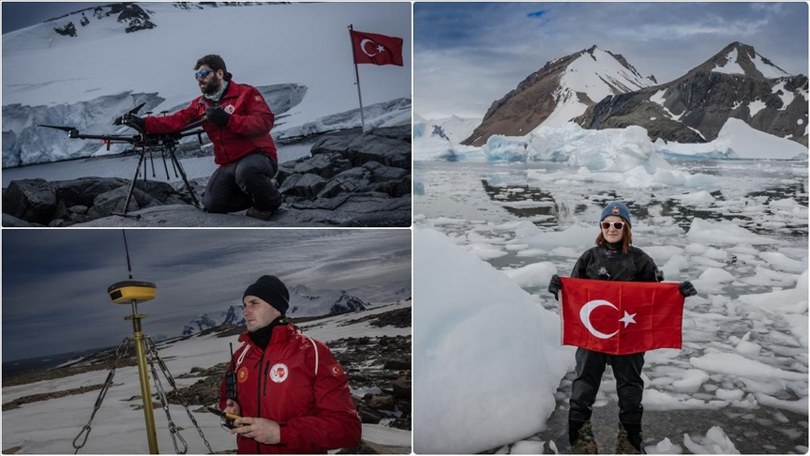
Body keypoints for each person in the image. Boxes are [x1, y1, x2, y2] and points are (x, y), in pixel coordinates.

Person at [548, 201, 697, 454]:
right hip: (592, 335)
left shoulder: (640, 260)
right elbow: (575, 295)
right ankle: (578, 436)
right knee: (584, 385)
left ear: (626, 227)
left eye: (618, 224)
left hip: (629, 336)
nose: (612, 228)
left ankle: (630, 439)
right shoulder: (589, 258)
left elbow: (655, 297)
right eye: (606, 224)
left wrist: (679, 293)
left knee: (630, 388)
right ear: (601, 227)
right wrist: (558, 289)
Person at [123, 54, 282, 220]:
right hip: (229, 163)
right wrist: (144, 124)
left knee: (247, 172)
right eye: (197, 76)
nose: (199, 79)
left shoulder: (246, 93)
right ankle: (262, 193)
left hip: (257, 155)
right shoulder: (200, 104)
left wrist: (228, 120)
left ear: (220, 73)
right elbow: (177, 120)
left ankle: (270, 202)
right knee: (213, 204)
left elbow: (265, 122)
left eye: (204, 74)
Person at [217, 275, 362, 453]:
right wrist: (232, 408)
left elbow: (347, 429)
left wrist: (281, 433)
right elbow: (225, 397)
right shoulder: (240, 356)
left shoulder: (313, 353)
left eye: (254, 303)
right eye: (245, 305)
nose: (245, 311)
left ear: (276, 309)